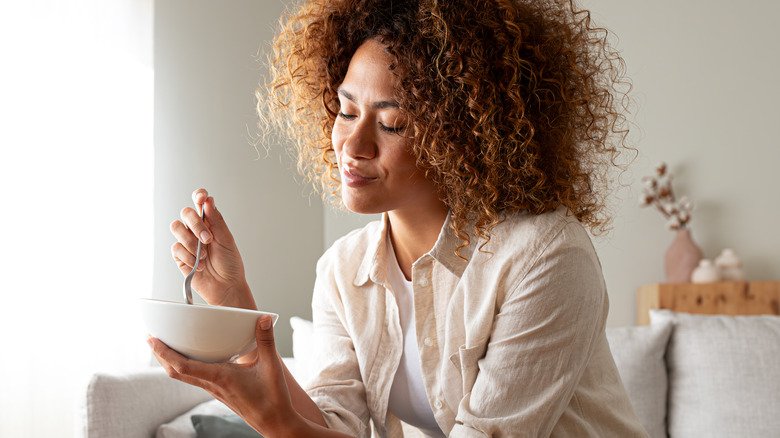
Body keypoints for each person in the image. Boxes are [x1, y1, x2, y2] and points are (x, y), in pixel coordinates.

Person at [147, 0, 648, 436]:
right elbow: (329, 424)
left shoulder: (546, 254)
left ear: (462, 138)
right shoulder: (344, 270)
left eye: (392, 123)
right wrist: (237, 309)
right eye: (346, 112)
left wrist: (276, 426)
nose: (353, 145)